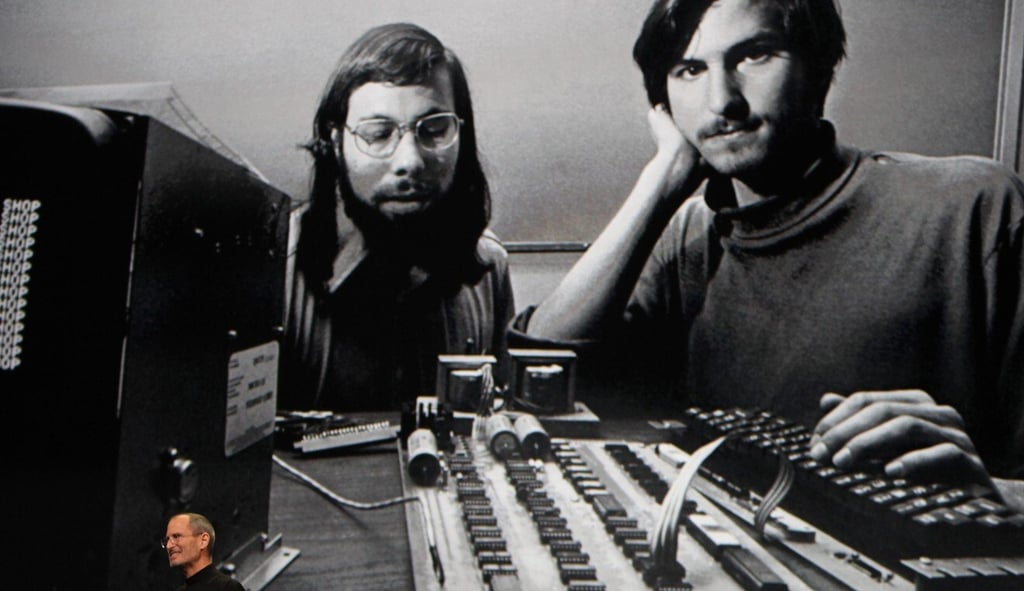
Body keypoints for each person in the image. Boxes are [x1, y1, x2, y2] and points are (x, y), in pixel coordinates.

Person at [514, 0, 1023, 510]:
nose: (722, 101)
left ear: (819, 68)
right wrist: (662, 180)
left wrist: (992, 493)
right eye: (689, 70)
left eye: (755, 56)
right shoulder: (689, 238)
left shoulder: (976, 208)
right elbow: (539, 372)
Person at [282, 23, 514, 411]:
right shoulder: (272, 272)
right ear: (336, 143)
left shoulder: (489, 267)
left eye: (435, 129)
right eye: (377, 134)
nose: (410, 161)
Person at [164, 512, 248, 591]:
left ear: (203, 541)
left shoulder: (228, 588)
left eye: (177, 537)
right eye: (167, 540)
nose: (168, 546)